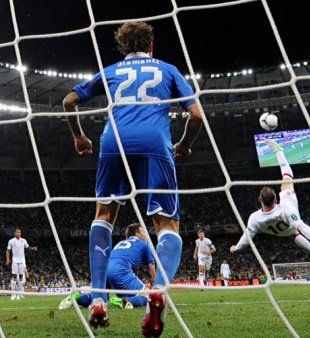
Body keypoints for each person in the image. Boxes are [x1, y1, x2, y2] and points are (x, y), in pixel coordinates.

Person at [62, 21, 202, 335]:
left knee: (104, 216)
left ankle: (98, 296)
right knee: (166, 224)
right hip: (155, 144)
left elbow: (69, 101)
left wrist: (79, 138)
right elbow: (196, 115)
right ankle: (159, 289)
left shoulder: (110, 71)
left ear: (123, 48)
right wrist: (184, 146)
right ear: (151, 45)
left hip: (113, 144)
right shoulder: (167, 69)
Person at [230, 139, 310, 267]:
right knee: (287, 179)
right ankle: (279, 151)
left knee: (294, 233)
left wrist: (236, 248)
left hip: (280, 232)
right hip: (288, 224)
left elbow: (247, 239)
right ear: (275, 200)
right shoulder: (285, 208)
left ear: (259, 200)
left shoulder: (254, 218)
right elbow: (302, 226)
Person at [59, 223, 156, 310]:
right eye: (144, 231)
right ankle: (125, 301)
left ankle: (76, 297)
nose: (146, 235)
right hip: (120, 270)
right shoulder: (144, 244)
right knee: (150, 296)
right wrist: (157, 290)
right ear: (138, 233)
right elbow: (152, 272)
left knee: (100, 298)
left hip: (105, 270)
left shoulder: (120, 243)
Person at [5, 228, 37, 300]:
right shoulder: (11, 241)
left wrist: (33, 248)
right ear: (14, 233)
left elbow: (28, 248)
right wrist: (7, 259)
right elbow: (8, 250)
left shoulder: (24, 240)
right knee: (14, 276)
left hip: (22, 260)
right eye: (17, 232)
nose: (19, 233)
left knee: (20, 277)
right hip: (15, 260)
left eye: (20, 232)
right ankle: (13, 295)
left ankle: (19, 294)